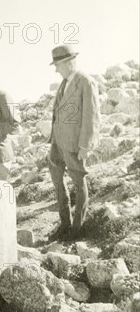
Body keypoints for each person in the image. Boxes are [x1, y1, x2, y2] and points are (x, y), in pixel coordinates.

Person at [48, 46, 100, 241]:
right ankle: (65, 224)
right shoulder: (64, 83)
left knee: (79, 183)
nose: (56, 69)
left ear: (69, 62)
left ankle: (77, 228)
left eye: (58, 65)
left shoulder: (85, 82)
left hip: (74, 144)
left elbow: (92, 116)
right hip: (57, 143)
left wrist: (85, 146)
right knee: (57, 182)